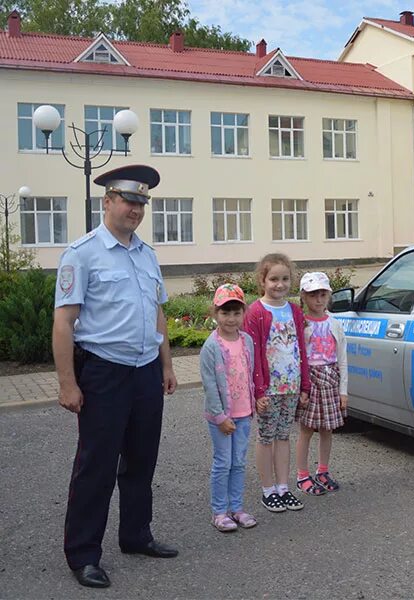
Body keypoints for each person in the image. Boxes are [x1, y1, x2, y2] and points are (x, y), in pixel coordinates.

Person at [52, 164, 179, 589]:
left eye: (142, 202)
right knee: (97, 464)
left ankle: (136, 535)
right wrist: (67, 383)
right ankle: (83, 553)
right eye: (128, 200)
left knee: (142, 459)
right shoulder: (82, 253)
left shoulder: (147, 254)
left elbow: (157, 311)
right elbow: (65, 321)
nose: (136, 209)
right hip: (104, 371)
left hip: (145, 371)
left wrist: (166, 364)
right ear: (106, 201)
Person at [244, 253, 310, 513]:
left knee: (284, 436)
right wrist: (258, 391)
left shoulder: (293, 310)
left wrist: (305, 385)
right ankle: (267, 489)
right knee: (266, 437)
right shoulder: (256, 312)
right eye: (273, 279)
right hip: (268, 390)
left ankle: (283, 487)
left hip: (291, 387)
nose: (280, 284)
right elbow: (254, 354)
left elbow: (301, 349)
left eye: (285, 279)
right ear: (263, 280)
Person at [200, 283, 258, 532]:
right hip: (221, 417)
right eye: (225, 313)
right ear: (216, 314)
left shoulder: (247, 341)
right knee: (223, 463)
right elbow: (210, 386)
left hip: (244, 413)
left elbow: (251, 373)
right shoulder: (211, 347)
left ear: (243, 313)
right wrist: (221, 416)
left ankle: (237, 508)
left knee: (239, 462)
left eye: (236, 313)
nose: (231, 319)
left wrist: (255, 402)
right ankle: (219, 511)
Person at [295, 272, 348, 496]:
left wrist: (343, 391)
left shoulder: (335, 324)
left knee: (327, 429)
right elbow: (297, 356)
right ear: (304, 297)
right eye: (313, 294)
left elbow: (343, 358)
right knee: (306, 430)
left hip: (331, 378)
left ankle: (323, 470)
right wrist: (301, 387)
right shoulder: (302, 324)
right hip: (310, 380)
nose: (318, 299)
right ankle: (302, 475)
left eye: (323, 294)